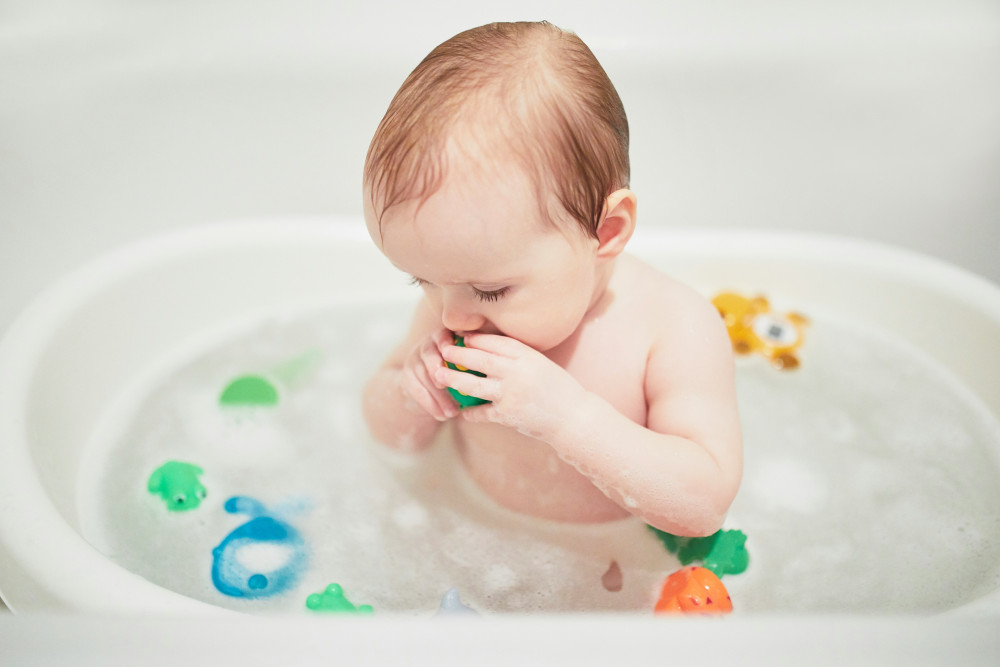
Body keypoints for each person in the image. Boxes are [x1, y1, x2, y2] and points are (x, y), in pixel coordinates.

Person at [361, 21, 741, 537]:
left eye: (492, 291)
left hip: (613, 559)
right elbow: (387, 436)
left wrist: (568, 419)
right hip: (475, 536)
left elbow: (703, 507)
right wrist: (413, 397)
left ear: (605, 231)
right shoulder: (456, 296)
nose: (452, 315)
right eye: (420, 280)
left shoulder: (673, 327)